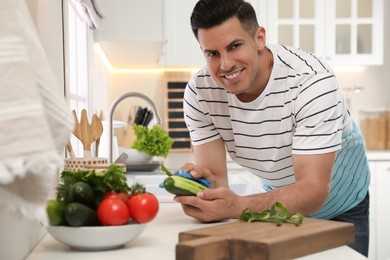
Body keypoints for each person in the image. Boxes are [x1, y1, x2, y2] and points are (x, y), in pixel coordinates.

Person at [173, 0, 371, 257]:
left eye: (234, 46)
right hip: (275, 207)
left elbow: (313, 190)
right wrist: (201, 192)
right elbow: (215, 185)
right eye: (212, 53)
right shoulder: (200, 93)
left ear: (259, 38)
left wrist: (236, 206)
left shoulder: (312, 81)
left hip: (342, 207)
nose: (225, 65)